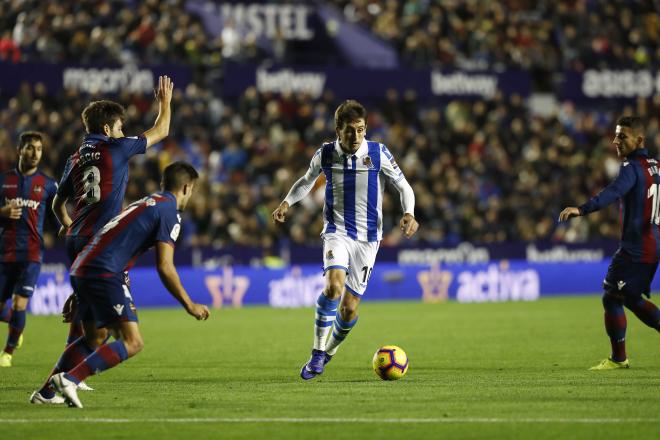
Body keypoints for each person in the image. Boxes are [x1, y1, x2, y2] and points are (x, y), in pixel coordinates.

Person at [29, 75, 174, 403]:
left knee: (90, 324)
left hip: (77, 239)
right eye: (121, 127)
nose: (124, 132)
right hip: (103, 245)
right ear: (108, 129)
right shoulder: (116, 147)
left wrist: (68, 224)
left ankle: (51, 388)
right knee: (117, 333)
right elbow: (161, 130)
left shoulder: (76, 157)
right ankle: (71, 379)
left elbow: (56, 203)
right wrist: (165, 102)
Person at [34, 161, 209, 408]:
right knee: (133, 342)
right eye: (193, 191)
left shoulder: (146, 203)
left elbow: (112, 239)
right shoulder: (170, 212)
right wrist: (190, 305)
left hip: (85, 266)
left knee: (96, 336)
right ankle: (69, 379)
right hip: (104, 272)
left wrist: (82, 287)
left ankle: (46, 392)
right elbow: (165, 266)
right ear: (186, 188)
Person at [272, 99, 419, 380]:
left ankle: (329, 351)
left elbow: (403, 186)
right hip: (336, 231)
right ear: (338, 129)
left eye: (361, 130)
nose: (356, 136)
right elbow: (306, 180)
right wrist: (286, 203)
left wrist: (409, 213)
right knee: (333, 287)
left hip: (368, 239)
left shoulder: (378, 153)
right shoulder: (326, 154)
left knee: (349, 307)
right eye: (350, 131)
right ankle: (316, 353)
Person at [559, 116, 660, 370]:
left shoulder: (632, 167)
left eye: (622, 136)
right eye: (616, 135)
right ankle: (619, 358)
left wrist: (581, 210)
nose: (616, 141)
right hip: (652, 244)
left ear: (639, 139)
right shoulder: (656, 166)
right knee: (627, 297)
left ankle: (618, 358)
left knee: (613, 297)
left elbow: (613, 192)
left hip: (636, 248)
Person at [0, 131, 58, 367]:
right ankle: (17, 324)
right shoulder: (4, 180)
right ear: (19, 150)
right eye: (30, 148)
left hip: (32, 253)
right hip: (4, 251)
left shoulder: (48, 184)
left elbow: (61, 209)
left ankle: (7, 353)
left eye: (39, 149)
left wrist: (61, 229)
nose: (35, 153)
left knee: (20, 303)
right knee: (13, 311)